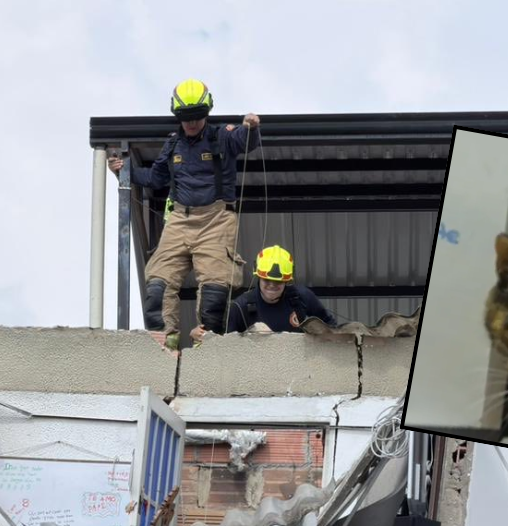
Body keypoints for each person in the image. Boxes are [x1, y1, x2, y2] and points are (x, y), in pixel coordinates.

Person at [107, 78, 261, 349]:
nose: (191, 123)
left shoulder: (221, 136)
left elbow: (245, 142)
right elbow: (155, 178)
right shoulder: (173, 145)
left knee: (215, 293)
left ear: (207, 111)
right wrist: (123, 171)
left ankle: (206, 349)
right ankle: (166, 344)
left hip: (216, 218)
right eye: (185, 117)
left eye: (197, 116)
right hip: (179, 218)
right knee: (157, 286)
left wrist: (251, 126)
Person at [220, 245, 338, 335]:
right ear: (259, 277)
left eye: (278, 281)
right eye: (267, 280)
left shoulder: (301, 297)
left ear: (286, 281)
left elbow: (330, 326)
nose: (272, 285)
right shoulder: (241, 306)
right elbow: (231, 349)